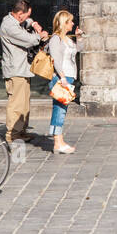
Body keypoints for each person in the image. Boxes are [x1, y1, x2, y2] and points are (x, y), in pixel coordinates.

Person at [1, 0, 48, 144]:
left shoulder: (16, 21)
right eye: (26, 15)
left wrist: (33, 23)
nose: (27, 18)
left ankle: (20, 131)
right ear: (20, 13)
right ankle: (12, 134)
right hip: (16, 71)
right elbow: (29, 40)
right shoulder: (10, 26)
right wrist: (40, 36)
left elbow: (27, 22)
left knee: (24, 103)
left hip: (22, 69)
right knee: (16, 104)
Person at [46, 10, 78, 155]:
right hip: (61, 78)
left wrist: (79, 38)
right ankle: (58, 142)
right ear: (64, 23)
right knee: (59, 110)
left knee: (62, 109)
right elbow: (56, 60)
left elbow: (77, 51)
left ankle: (59, 140)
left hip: (68, 77)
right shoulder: (56, 39)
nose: (72, 23)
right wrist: (63, 77)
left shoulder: (68, 39)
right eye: (70, 21)